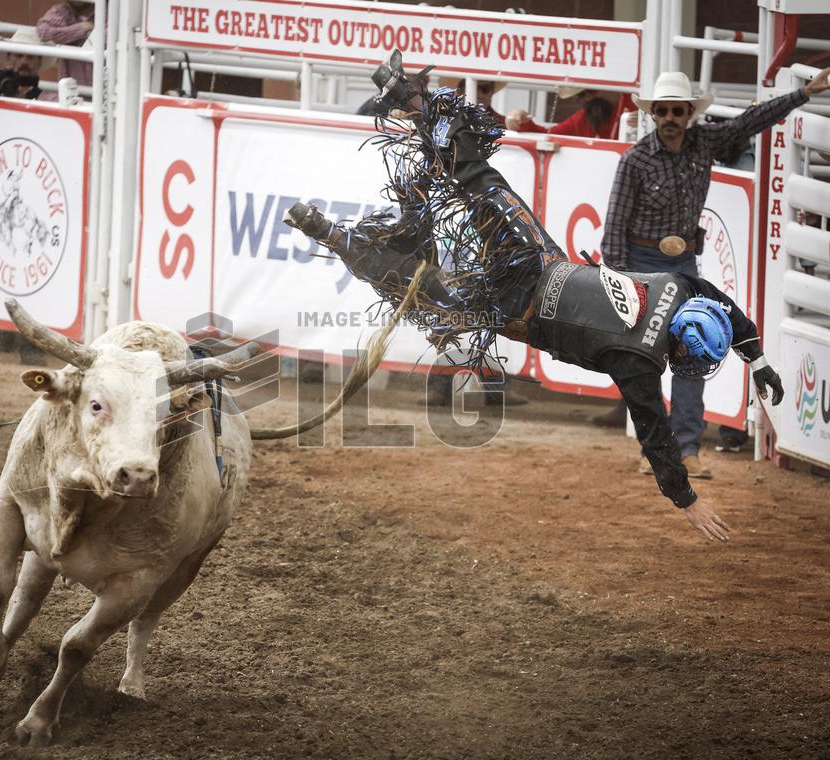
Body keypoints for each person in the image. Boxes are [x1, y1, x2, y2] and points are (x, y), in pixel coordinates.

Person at [284, 50, 792, 542]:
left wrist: (759, 358)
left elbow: (716, 298)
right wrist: (687, 500)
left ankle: (414, 102)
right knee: (432, 297)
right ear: (681, 344)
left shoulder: (678, 289)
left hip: (537, 256)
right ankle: (332, 235)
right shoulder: (640, 361)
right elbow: (655, 435)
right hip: (516, 308)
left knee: (480, 182)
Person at [601, 68, 830, 477]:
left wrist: (803, 94)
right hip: (642, 265)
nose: (669, 117)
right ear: (653, 114)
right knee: (646, 359)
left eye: (677, 110)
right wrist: (618, 282)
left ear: (689, 112)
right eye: (663, 111)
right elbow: (615, 228)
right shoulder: (635, 161)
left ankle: (687, 447)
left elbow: (750, 121)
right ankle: (658, 449)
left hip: (682, 262)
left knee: (694, 348)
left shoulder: (704, 142)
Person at [506, 86, 637, 140]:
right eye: (581, 94)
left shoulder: (636, 105)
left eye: (591, 91)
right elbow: (549, 136)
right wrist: (521, 122)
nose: (588, 98)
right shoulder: (585, 117)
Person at [36, 1, 95, 89]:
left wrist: (67, 35)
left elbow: (107, 35)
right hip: (71, 90)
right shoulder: (62, 11)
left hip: (106, 90)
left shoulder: (108, 12)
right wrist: (82, 28)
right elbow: (44, 32)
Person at [0, 28, 51, 99]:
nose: (24, 61)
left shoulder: (46, 100)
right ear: (8, 57)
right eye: (18, 55)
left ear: (39, 61)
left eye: (30, 56)